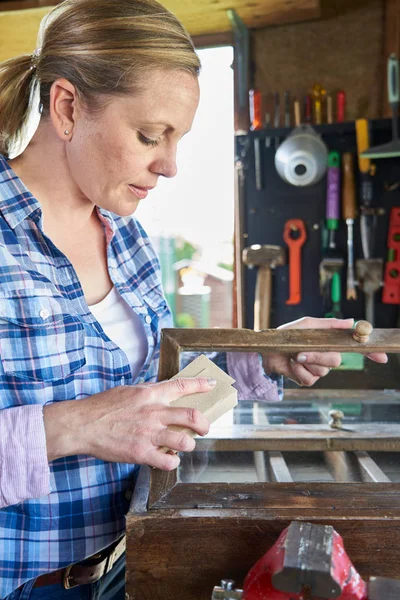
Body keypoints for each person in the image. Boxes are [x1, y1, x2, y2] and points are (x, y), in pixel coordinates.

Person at [0, 0, 387, 598]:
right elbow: (104, 418)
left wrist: (262, 355)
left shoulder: (126, 238)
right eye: (150, 135)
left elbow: (159, 390)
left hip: (130, 564)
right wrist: (72, 425)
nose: (171, 165)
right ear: (67, 106)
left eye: (177, 139)